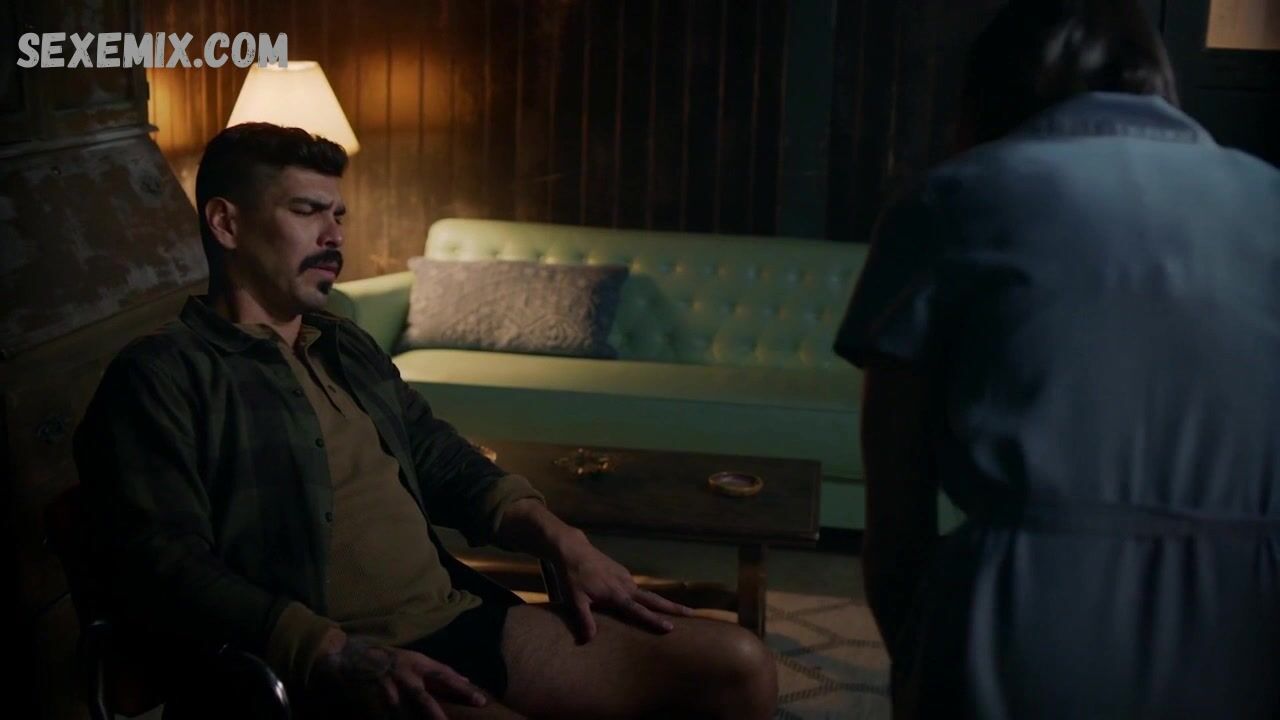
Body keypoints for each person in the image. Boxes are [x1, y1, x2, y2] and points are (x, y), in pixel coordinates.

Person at [72, 121, 777, 720]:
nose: (333, 234)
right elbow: (162, 565)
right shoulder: (163, 375)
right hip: (334, 661)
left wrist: (559, 537)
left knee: (737, 663)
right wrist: (329, 650)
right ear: (226, 223)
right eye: (308, 211)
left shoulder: (342, 342)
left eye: (338, 214)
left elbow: (439, 454)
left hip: (457, 616)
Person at [835, 1, 1280, 718]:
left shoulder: (951, 199)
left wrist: (922, 656)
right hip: (1254, 628)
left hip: (1024, 621)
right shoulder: (1270, 197)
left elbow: (896, 518)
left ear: (986, 94)